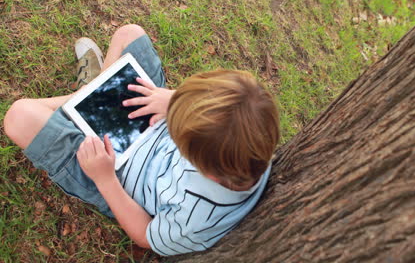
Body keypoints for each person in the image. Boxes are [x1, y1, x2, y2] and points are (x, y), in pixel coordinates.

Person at [3, 24, 280, 256]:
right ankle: (88, 95)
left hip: (112, 171)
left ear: (201, 166)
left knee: (19, 116)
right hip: (148, 116)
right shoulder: (252, 145)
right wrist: (171, 101)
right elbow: (226, 115)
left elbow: (145, 235)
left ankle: (86, 95)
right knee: (129, 34)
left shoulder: (195, 221)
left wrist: (104, 179)